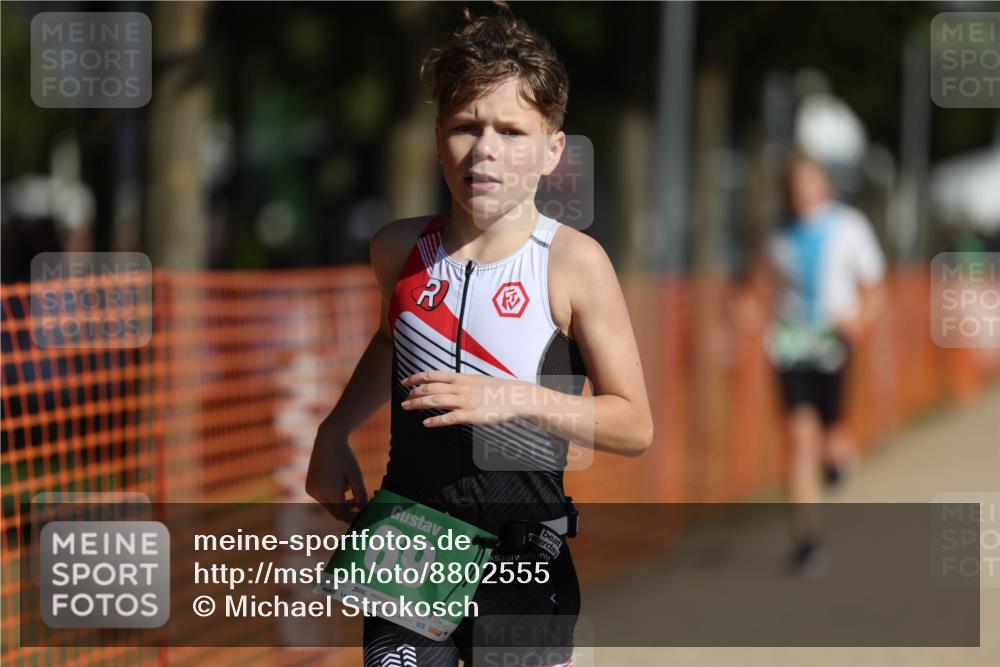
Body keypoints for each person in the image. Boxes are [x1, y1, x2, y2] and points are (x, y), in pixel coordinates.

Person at [305, 3, 653, 665]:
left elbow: (635, 424)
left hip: (523, 554)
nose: (486, 148)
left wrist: (514, 398)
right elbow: (392, 339)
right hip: (409, 539)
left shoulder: (575, 264)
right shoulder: (397, 249)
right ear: (439, 139)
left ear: (553, 149)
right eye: (467, 126)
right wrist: (333, 430)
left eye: (512, 130)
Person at [762, 153, 886, 575]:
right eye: (796, 187)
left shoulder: (849, 227)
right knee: (799, 438)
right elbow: (764, 285)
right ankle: (806, 541)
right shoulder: (778, 236)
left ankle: (837, 459)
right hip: (793, 346)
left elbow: (872, 287)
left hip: (835, 345)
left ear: (824, 186)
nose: (803, 195)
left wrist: (859, 321)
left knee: (832, 440)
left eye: (810, 185)